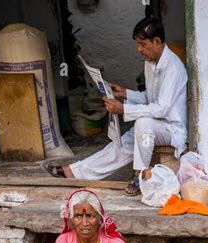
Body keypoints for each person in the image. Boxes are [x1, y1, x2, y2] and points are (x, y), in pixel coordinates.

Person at [46, 19, 187, 196]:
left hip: (171, 128)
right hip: (155, 124)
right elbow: (149, 98)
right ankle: (75, 172)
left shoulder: (173, 67)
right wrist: (126, 93)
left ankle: (140, 174)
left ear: (157, 42)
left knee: (142, 124)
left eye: (142, 44)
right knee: (121, 144)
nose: (139, 49)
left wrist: (123, 110)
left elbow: (161, 109)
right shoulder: (150, 64)